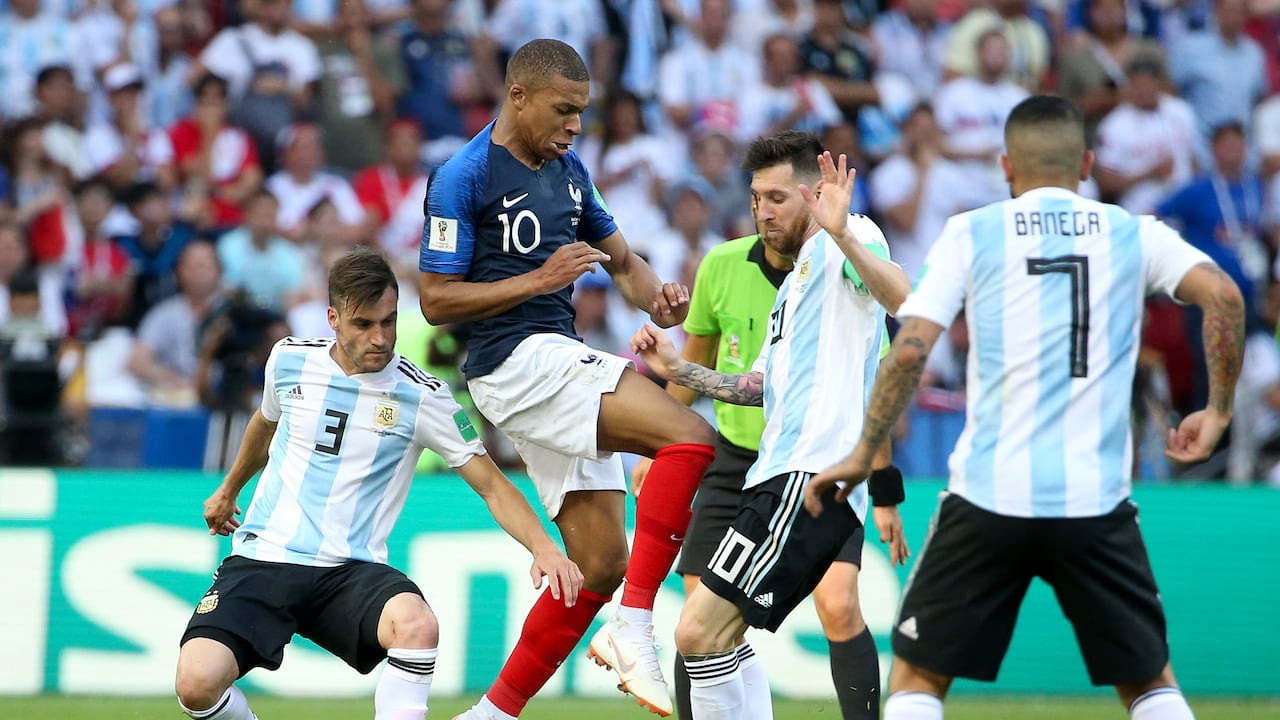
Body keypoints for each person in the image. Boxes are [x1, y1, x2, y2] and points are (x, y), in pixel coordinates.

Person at [805, 95, 1245, 720]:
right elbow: (1225, 296)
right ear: (1086, 163)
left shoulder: (972, 232)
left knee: (917, 681)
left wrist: (861, 453)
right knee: (1150, 684)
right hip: (1095, 502)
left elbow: (909, 350)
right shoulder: (1133, 232)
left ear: (1007, 166)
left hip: (989, 495)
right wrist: (1218, 410)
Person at [420, 39, 718, 720]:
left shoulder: (571, 170)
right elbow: (435, 299)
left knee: (601, 561)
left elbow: (624, 263)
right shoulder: (464, 175)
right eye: (563, 110)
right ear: (517, 97)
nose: (576, 125)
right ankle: (633, 625)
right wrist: (540, 280)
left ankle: (489, 715)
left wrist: (659, 300)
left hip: (552, 360)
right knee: (690, 438)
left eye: (582, 111)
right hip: (513, 361)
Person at [174, 246, 583, 720]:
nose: (380, 338)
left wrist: (543, 547)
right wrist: (228, 490)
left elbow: (492, 485)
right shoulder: (287, 360)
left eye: (388, 322)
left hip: (349, 571)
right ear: (333, 318)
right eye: (363, 324)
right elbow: (265, 424)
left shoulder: (422, 396)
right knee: (195, 685)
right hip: (265, 557)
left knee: (417, 625)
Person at [630, 136, 912, 720]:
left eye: (778, 198)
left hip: (806, 477)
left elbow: (901, 298)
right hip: (775, 477)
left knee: (699, 632)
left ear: (815, 194)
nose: (764, 211)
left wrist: (843, 232)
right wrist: (677, 370)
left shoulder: (847, 240)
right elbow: (757, 387)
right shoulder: (796, 281)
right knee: (708, 636)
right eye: (758, 198)